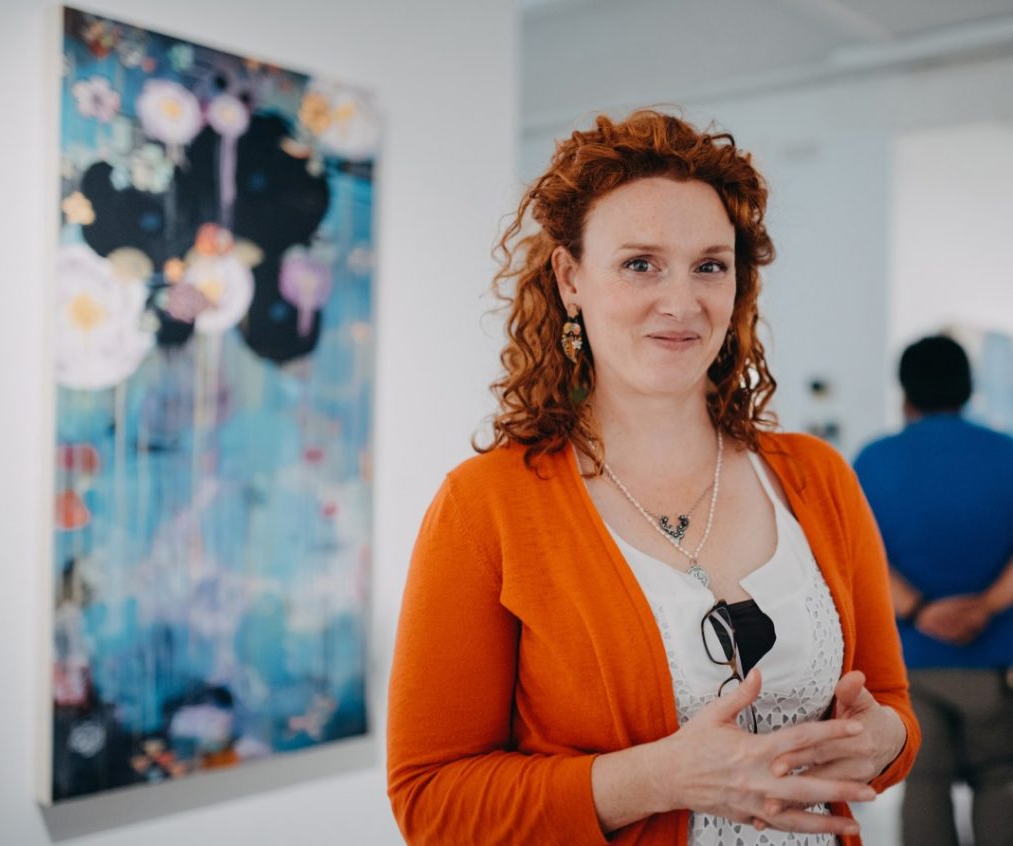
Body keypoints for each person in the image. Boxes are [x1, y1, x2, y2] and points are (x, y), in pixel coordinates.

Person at [387, 109, 919, 845]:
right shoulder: (486, 506)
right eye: (641, 264)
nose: (681, 302)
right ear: (570, 278)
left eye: (710, 266)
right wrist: (660, 778)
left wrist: (884, 740)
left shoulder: (816, 476)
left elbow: (891, 706)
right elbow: (431, 801)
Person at [853, 335, 1013, 846]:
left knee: (923, 783)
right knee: (1002, 781)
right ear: (968, 386)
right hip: (997, 661)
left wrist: (921, 611)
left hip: (911, 662)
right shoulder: (1007, 452)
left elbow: (860, 557)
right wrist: (985, 606)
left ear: (905, 391)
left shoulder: (874, 460)